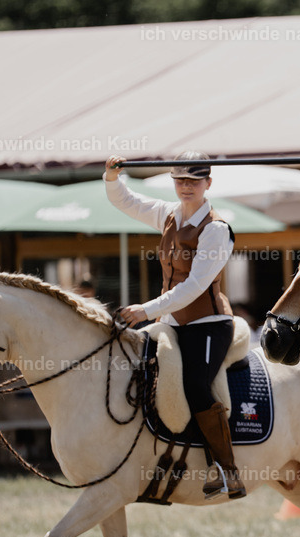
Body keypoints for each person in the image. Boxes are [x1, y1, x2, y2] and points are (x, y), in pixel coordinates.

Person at [105, 152, 244, 500]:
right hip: (170, 321)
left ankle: (228, 471)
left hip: (208, 324)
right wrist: (111, 176)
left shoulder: (216, 230)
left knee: (196, 385)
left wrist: (147, 309)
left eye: (193, 181)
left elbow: (194, 286)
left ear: (207, 184)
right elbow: (125, 200)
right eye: (180, 181)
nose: (186, 187)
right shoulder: (167, 214)